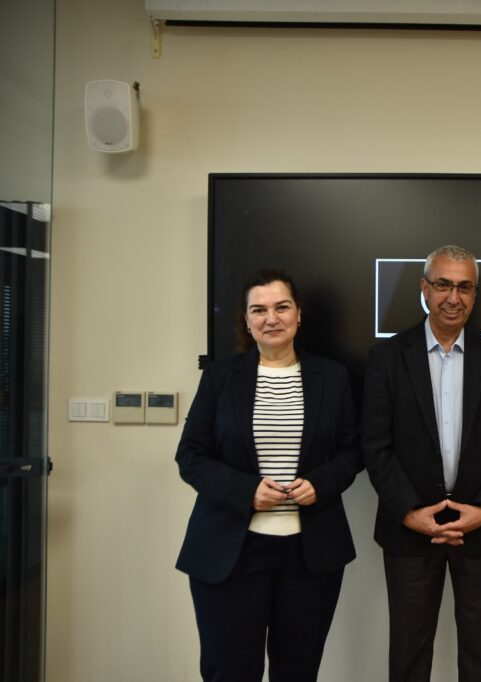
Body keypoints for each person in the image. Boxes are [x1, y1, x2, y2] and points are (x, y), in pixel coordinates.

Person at [175, 269, 363, 682]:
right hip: (230, 554)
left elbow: (353, 450)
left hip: (310, 556)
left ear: (299, 314)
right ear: (246, 320)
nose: (271, 318)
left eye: (282, 307)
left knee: (297, 672)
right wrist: (247, 491)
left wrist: (321, 483)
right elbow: (190, 456)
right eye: (259, 310)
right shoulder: (220, 377)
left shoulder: (332, 377)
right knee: (230, 672)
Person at [362, 244, 481, 682]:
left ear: (475, 294)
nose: (454, 297)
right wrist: (409, 513)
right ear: (424, 288)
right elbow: (375, 447)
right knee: (409, 656)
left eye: (464, 287)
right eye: (443, 285)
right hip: (410, 531)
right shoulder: (387, 358)